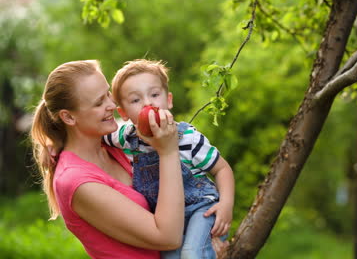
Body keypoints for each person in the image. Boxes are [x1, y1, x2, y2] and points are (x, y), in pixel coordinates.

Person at [30, 60, 185, 259]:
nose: (112, 105)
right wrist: (168, 152)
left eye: (108, 94)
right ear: (68, 118)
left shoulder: (113, 143)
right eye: (99, 102)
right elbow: (168, 237)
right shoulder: (77, 182)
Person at [103, 59, 235, 259]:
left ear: (169, 100)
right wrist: (56, 141)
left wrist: (226, 204)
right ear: (123, 113)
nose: (148, 103)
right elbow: (95, 134)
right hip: (169, 222)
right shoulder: (127, 137)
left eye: (155, 95)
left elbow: (222, 169)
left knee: (192, 254)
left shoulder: (188, 137)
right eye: (136, 100)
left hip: (202, 209)